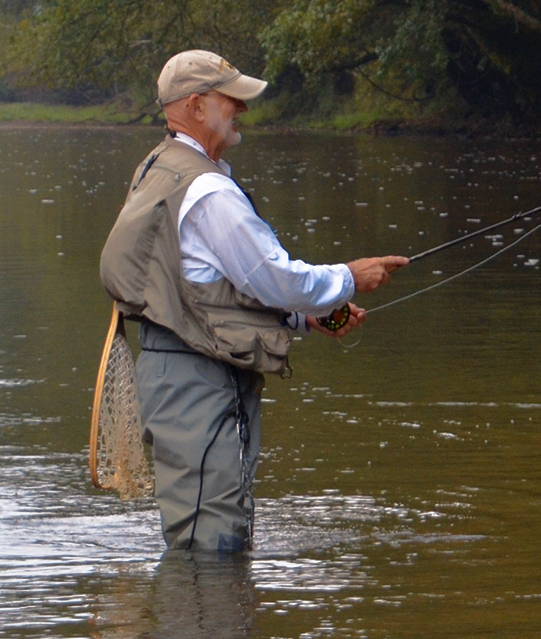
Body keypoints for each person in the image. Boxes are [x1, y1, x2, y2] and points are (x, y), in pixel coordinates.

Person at [101, 50, 407, 553]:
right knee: (213, 544)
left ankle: (211, 629)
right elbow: (272, 278)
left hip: (177, 373)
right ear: (197, 106)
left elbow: (207, 287)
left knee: (214, 535)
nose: (242, 109)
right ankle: (206, 630)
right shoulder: (206, 189)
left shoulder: (156, 168)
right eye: (232, 99)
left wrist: (305, 320)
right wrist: (348, 278)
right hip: (199, 382)